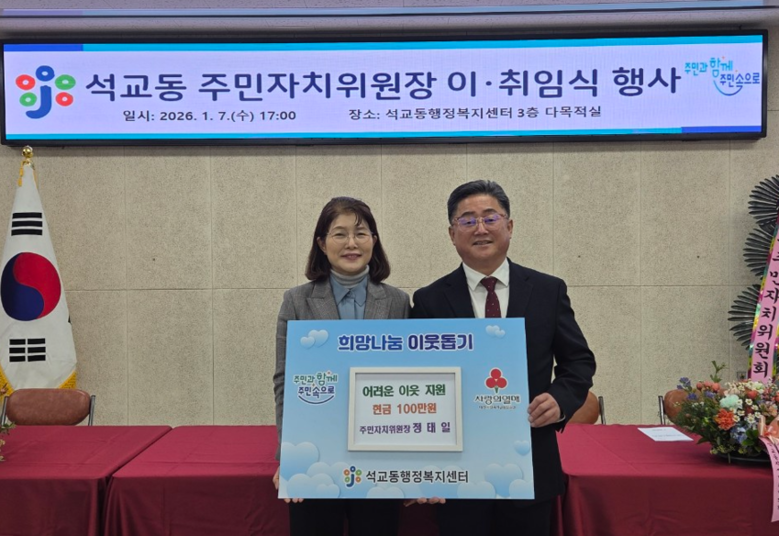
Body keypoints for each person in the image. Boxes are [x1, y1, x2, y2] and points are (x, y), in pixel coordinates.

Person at [411, 180, 596, 536]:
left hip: (530, 461)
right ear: (452, 234)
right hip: (457, 470)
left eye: (490, 218)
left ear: (509, 226)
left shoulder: (548, 290)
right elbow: (419, 381)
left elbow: (579, 362)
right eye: (467, 220)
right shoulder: (429, 300)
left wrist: (560, 400)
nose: (480, 228)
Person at [273, 197, 410, 536]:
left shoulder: (397, 301)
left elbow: (407, 379)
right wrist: (288, 456)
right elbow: (285, 381)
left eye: (361, 233)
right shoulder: (297, 300)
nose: (351, 243)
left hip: (381, 453)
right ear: (322, 243)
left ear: (373, 241)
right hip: (316, 453)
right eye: (339, 234)